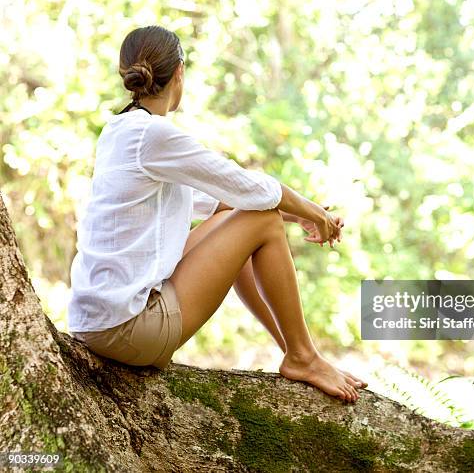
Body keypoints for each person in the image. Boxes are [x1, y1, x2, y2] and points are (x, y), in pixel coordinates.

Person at [67, 25, 367, 403]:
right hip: (129, 330)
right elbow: (246, 186)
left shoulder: (119, 131)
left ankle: (298, 355)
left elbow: (216, 202)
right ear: (180, 72)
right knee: (263, 220)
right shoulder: (153, 135)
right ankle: (303, 356)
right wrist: (315, 213)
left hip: (96, 322)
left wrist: (304, 216)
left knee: (240, 223)